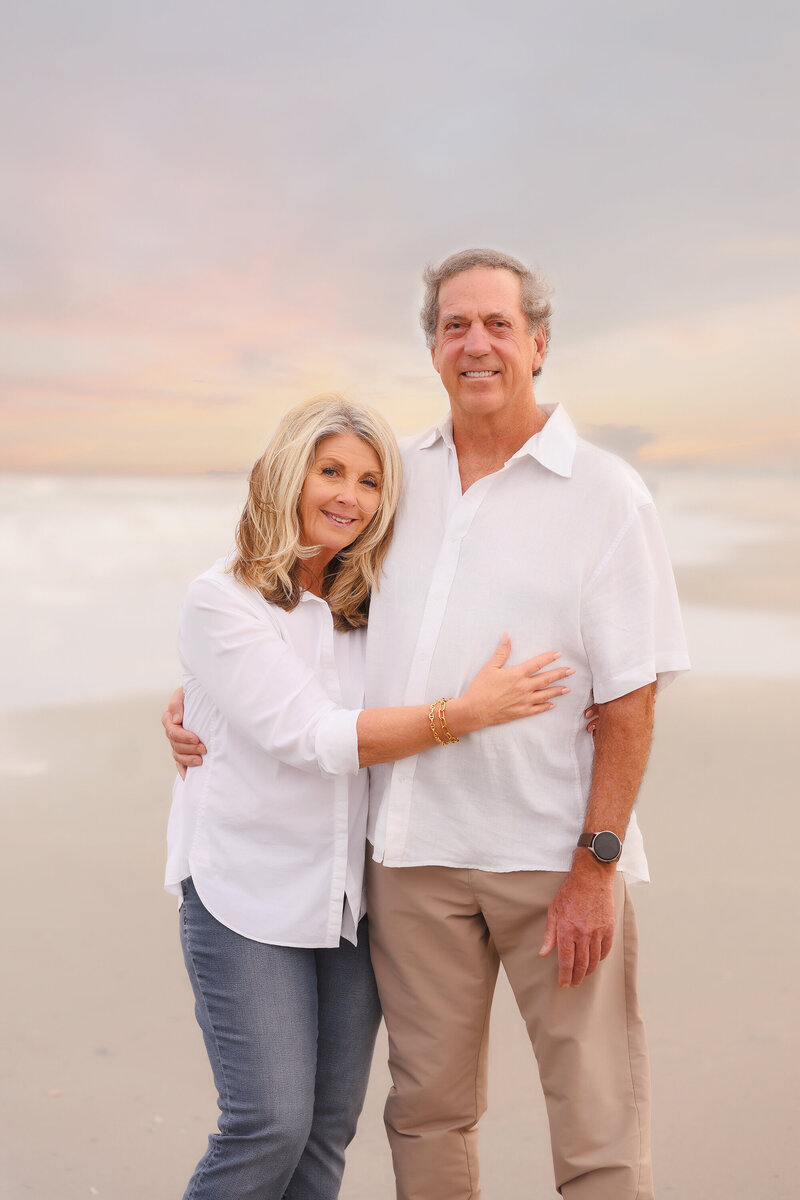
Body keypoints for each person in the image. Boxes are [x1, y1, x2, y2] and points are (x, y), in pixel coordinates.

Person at [166, 249, 690, 1200]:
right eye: (455, 325)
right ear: (433, 348)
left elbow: (631, 697)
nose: (476, 343)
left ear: (538, 343)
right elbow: (280, 595)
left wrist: (596, 863)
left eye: (497, 324)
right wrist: (199, 699)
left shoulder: (608, 494)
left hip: (550, 859)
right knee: (425, 1118)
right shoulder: (392, 479)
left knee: (598, 1123)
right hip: (406, 862)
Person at [164, 393, 577, 1200]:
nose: (349, 496)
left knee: (324, 1133)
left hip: (348, 901)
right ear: (289, 474)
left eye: (370, 481)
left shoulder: (370, 609)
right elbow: (313, 737)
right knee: (267, 1125)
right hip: (243, 893)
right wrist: (464, 716)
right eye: (331, 472)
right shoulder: (222, 600)